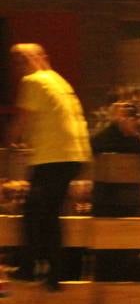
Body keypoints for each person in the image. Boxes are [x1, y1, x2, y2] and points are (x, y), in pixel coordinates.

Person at [8, 43, 91, 290]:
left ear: (39, 58)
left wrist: (11, 141)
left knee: (36, 213)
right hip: (72, 155)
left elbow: (21, 121)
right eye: (17, 62)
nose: (20, 67)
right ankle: (50, 272)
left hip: (53, 158)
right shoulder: (60, 82)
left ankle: (35, 268)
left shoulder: (33, 81)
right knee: (46, 214)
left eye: (23, 60)